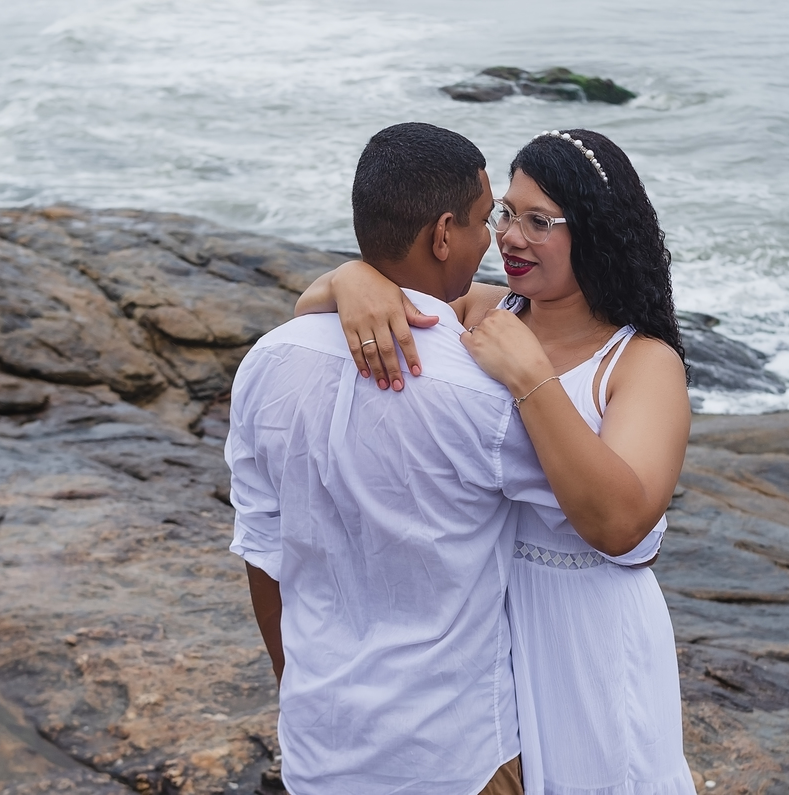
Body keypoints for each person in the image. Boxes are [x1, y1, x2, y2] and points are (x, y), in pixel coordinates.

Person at [296, 128, 697, 795]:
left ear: (593, 232)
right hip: (480, 623)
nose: (509, 235)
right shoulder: (482, 309)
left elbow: (620, 521)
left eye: (539, 220)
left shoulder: (643, 363)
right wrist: (352, 278)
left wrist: (531, 379)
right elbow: (308, 317)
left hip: (587, 633)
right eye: (505, 213)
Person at [227, 122, 557, 795]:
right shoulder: (488, 389)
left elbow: (264, 557)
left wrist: (303, 691)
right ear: (441, 236)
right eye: (481, 218)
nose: (493, 236)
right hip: (458, 755)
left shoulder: (267, 361)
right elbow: (596, 530)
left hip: (321, 744)